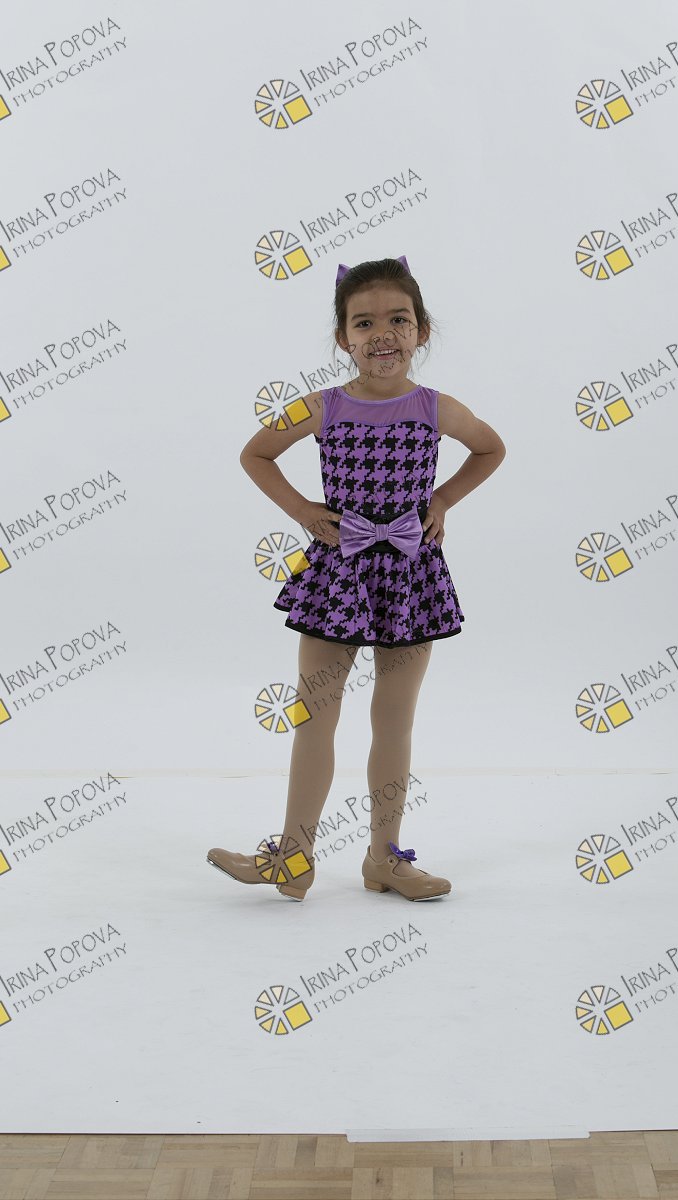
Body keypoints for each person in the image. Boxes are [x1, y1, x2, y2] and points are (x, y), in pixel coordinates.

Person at [207, 255, 506, 902]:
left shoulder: (436, 408)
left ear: (422, 330)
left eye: (398, 319)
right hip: (338, 571)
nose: (382, 334)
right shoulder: (325, 406)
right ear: (343, 337)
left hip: (410, 573)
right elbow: (256, 453)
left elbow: (491, 448)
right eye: (363, 323)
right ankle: (293, 857)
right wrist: (304, 512)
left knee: (394, 721)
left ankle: (386, 858)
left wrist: (442, 500)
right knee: (315, 713)